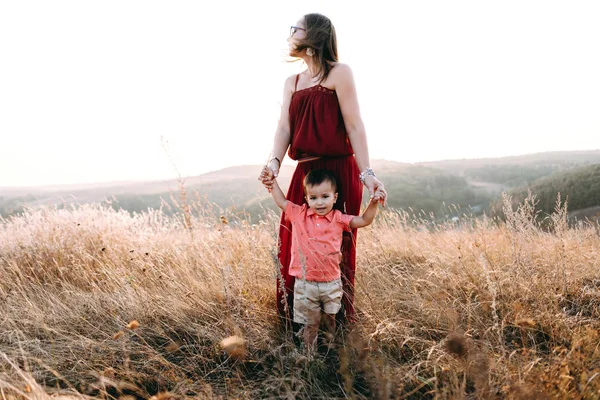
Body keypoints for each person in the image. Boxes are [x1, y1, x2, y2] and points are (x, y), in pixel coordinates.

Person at [259, 13, 387, 325]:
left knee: (335, 246)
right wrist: (274, 163)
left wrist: (366, 173)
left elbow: (355, 126)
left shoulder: (339, 73)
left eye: (297, 28)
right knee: (294, 242)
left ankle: (335, 327)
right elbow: (283, 128)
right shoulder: (292, 82)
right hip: (304, 174)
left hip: (339, 172)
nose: (292, 34)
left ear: (313, 37)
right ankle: (296, 322)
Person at [263, 168, 380, 350]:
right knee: (310, 325)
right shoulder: (299, 214)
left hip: (331, 282)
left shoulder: (338, 218)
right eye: (313, 198)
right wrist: (271, 183)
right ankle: (309, 356)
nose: (319, 203)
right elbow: (281, 201)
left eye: (325, 196)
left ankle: (328, 352)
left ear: (335, 197)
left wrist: (373, 202)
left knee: (329, 321)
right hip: (305, 282)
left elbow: (364, 220)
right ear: (306, 199)